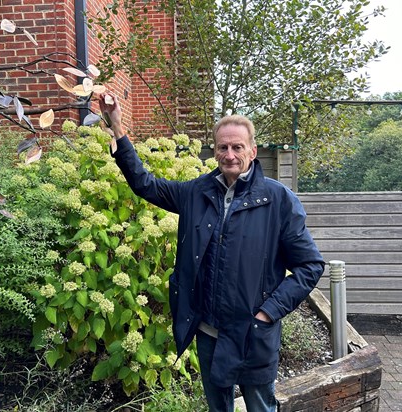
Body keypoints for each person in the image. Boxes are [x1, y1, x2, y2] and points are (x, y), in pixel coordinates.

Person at [99, 94, 324, 412]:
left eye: (237, 147)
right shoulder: (196, 193)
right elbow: (144, 184)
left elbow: (310, 266)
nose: (230, 155)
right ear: (215, 150)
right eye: (223, 147)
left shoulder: (279, 201)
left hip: (252, 334)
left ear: (252, 151)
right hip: (209, 332)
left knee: (261, 407)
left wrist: (268, 312)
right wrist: (117, 125)